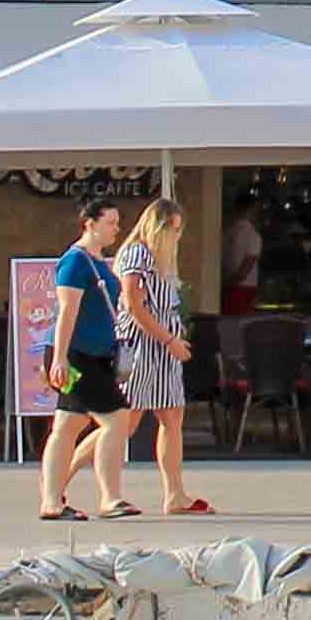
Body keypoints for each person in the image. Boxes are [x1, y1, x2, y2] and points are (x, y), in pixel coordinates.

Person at [36, 195, 135, 524]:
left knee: (68, 425)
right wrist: (59, 359)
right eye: (110, 223)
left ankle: (52, 500)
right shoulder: (75, 261)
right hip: (77, 356)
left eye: (117, 223)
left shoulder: (98, 261)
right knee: (117, 418)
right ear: (90, 224)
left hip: (95, 355)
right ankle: (109, 497)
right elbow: (67, 312)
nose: (116, 229)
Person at [116, 193, 209, 519]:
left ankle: (175, 494)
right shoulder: (137, 255)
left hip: (163, 348)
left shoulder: (161, 260)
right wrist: (169, 339)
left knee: (172, 417)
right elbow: (133, 305)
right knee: (123, 423)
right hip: (141, 347)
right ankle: (65, 472)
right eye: (173, 229)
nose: (176, 236)